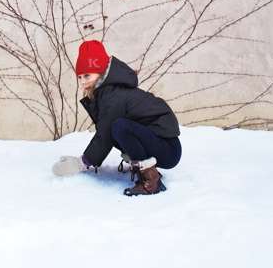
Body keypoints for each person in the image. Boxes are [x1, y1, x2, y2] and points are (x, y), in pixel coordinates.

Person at [52, 40, 181, 196]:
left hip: (168, 148)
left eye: (87, 75)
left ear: (100, 72)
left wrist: (82, 163)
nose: (82, 81)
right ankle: (142, 165)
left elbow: (104, 134)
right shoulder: (107, 92)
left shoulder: (114, 95)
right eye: (79, 76)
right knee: (118, 127)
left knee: (118, 126)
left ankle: (152, 180)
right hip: (159, 143)